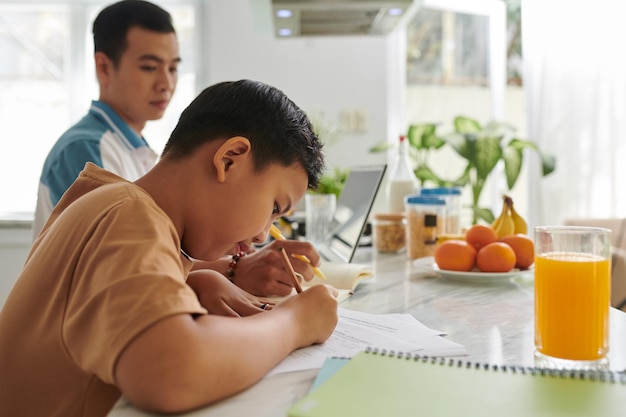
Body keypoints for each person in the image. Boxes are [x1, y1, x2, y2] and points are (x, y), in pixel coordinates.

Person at [0, 79, 339, 416]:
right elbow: (170, 372)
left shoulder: (111, 202)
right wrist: (296, 322)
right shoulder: (129, 213)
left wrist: (195, 281)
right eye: (274, 208)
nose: (264, 235)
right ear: (230, 159)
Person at [31, 0, 323, 309]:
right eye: (149, 67)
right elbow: (121, 263)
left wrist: (214, 272)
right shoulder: (89, 151)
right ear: (104, 67)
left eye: (173, 68)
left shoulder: (142, 151)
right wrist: (234, 270)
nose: (166, 83)